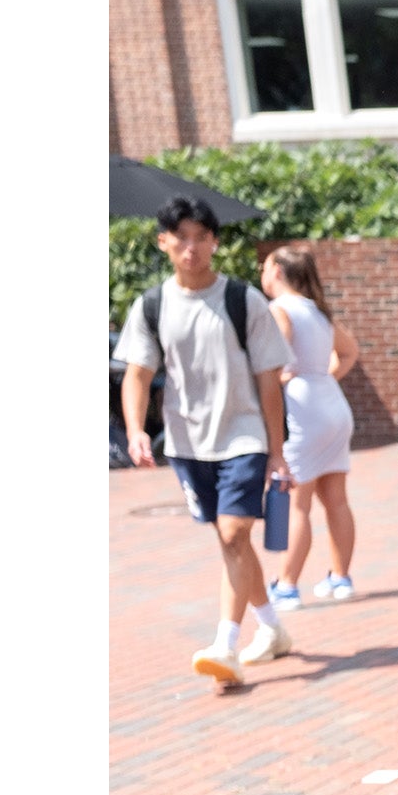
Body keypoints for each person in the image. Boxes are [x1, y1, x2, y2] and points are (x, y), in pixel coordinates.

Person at [117, 198, 298, 684]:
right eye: (182, 238)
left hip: (243, 436)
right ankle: (273, 628)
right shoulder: (151, 306)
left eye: (202, 237)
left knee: (234, 534)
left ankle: (225, 646)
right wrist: (136, 431)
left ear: (215, 242)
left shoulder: (243, 301)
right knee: (231, 541)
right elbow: (137, 374)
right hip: (186, 443)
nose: (192, 247)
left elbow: (268, 380)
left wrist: (276, 450)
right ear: (164, 243)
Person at [259, 247, 360, 609]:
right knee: (337, 499)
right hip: (332, 404)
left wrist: (286, 378)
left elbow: (275, 361)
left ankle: (286, 585)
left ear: (278, 272)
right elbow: (349, 351)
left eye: (265, 267)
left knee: (297, 504)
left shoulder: (280, 309)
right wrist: (322, 376)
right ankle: (341, 578)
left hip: (303, 412)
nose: (261, 273)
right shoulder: (319, 311)